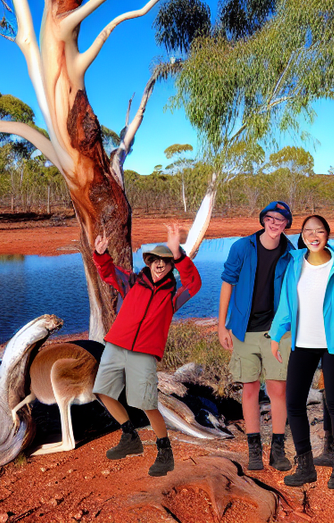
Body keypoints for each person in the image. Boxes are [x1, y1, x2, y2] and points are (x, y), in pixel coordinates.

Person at [91, 222, 200, 477]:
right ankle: (130, 437)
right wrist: (100, 254)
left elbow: (194, 283)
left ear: (171, 265)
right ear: (148, 262)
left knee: (147, 403)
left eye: (165, 260)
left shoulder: (174, 293)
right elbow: (108, 272)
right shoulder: (132, 282)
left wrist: (179, 254)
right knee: (103, 392)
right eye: (154, 260)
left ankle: (164, 452)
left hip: (144, 351)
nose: (159, 264)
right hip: (116, 344)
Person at [270, 214, 334, 489]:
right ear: (302, 236)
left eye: (319, 231)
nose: (313, 235)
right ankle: (306, 466)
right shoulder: (295, 264)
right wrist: (276, 335)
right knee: (294, 403)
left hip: (333, 347)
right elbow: (286, 304)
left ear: (327, 234)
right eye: (308, 231)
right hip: (303, 343)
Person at [217, 200, 298, 472]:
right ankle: (253, 448)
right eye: (271, 219)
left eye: (281, 220)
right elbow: (228, 283)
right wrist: (222, 325)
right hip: (244, 330)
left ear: (287, 224)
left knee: (278, 389)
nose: (275, 224)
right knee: (250, 388)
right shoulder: (242, 247)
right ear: (263, 220)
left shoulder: (291, 253)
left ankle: (277, 449)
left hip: (277, 332)